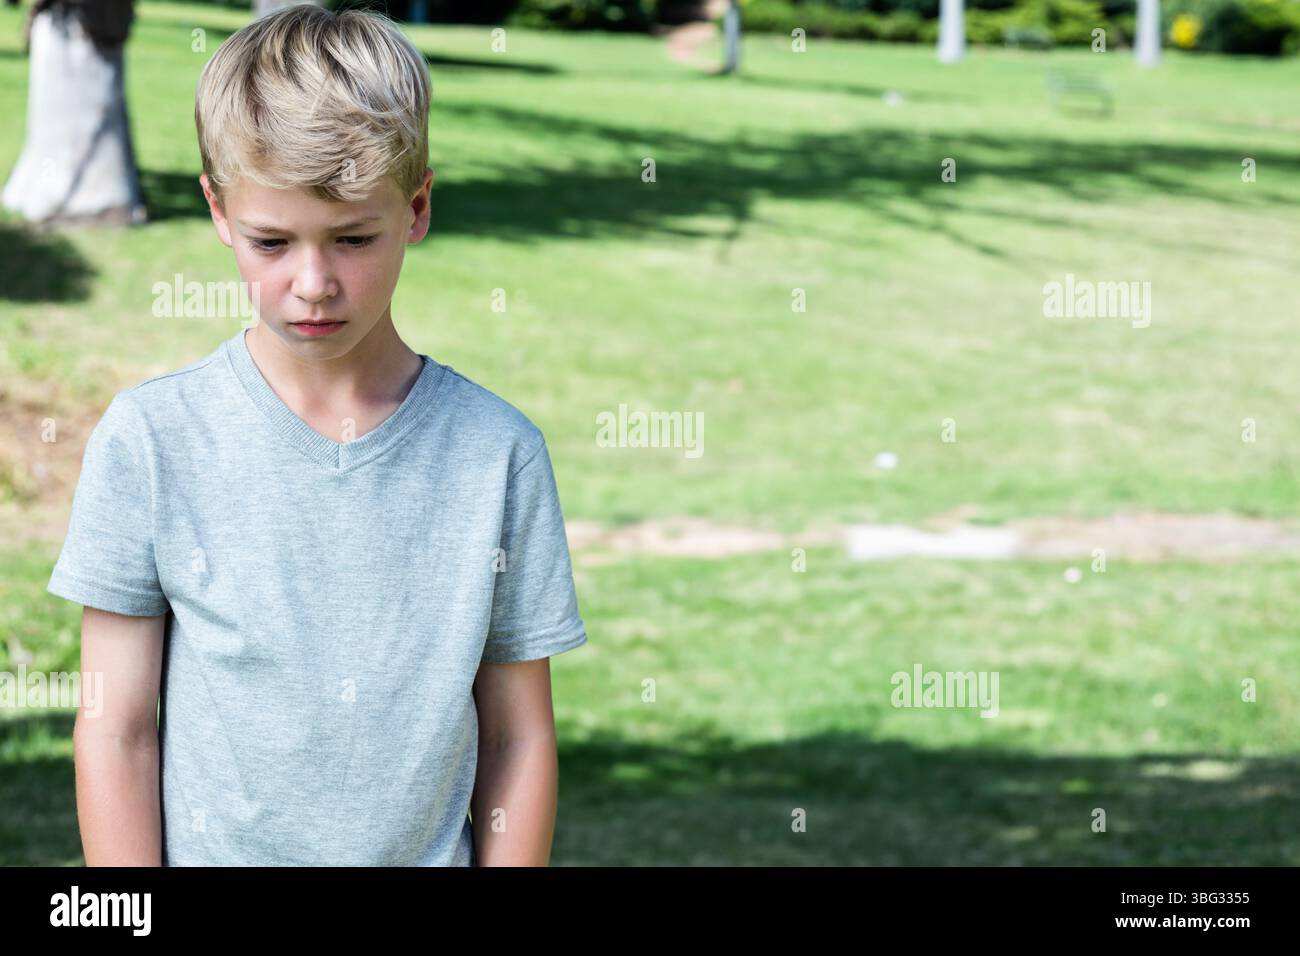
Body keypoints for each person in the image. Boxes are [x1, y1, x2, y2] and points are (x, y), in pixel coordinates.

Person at [46, 4, 588, 866]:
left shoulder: (498, 456)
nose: (313, 283)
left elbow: (517, 738)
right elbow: (118, 730)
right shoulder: (151, 441)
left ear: (415, 209)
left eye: (352, 238)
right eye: (271, 241)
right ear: (218, 212)